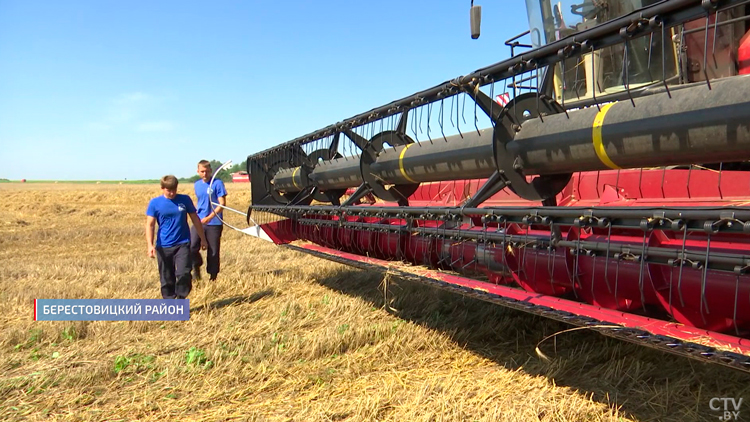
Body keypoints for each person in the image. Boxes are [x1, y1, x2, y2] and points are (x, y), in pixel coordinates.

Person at [146, 175, 207, 299]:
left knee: (184, 273)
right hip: (163, 246)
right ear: (162, 188)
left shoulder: (185, 200)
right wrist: (150, 245)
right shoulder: (155, 203)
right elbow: (150, 225)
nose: (172, 193)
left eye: (174, 189)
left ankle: (181, 298)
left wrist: (203, 239)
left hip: (183, 243)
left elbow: (195, 219)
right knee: (166, 277)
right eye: (169, 190)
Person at [190, 160, 227, 282]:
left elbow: (222, 204)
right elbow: (200, 202)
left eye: (207, 171)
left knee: (213, 251)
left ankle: (213, 277)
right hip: (199, 221)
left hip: (214, 223)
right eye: (202, 171)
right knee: (191, 246)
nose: (204, 174)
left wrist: (209, 217)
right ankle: (196, 266)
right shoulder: (197, 185)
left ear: (211, 171)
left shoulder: (217, 183)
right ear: (198, 171)